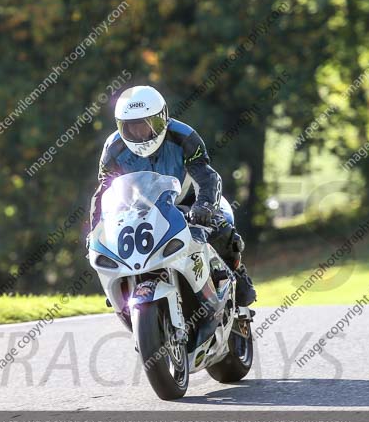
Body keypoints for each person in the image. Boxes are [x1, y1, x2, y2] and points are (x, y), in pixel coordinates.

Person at [89, 85, 256, 307]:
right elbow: (104, 191)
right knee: (109, 245)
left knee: (222, 226)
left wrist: (204, 206)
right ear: (121, 126)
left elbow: (206, 175)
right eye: (132, 127)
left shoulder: (184, 136)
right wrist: (96, 229)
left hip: (187, 203)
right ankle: (123, 283)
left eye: (149, 124)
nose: (141, 133)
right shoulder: (114, 148)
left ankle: (236, 272)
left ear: (164, 117)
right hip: (139, 211)